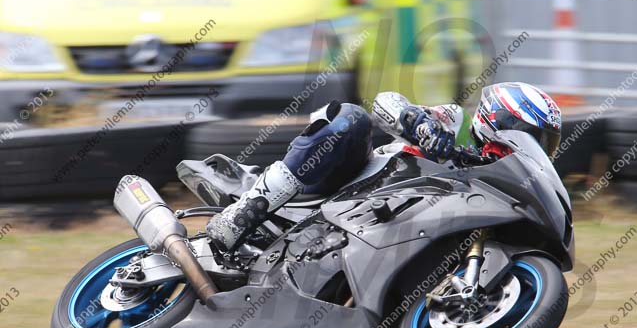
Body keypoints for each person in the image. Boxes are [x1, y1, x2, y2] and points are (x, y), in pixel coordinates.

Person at [206, 82, 562, 252]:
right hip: (352, 186)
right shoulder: (455, 122)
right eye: (531, 134)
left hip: (385, 230)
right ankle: (245, 212)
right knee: (350, 120)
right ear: (501, 118)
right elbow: (385, 102)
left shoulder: (499, 184)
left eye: (545, 143)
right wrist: (421, 124)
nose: (535, 146)